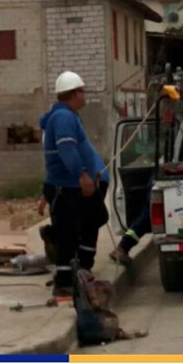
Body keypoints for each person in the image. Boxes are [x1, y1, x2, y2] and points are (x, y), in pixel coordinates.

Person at [39, 71, 109, 297]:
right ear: (74, 93)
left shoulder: (66, 116)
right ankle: (64, 282)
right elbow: (66, 148)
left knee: (95, 217)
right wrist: (82, 175)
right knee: (67, 233)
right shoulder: (63, 118)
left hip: (70, 185)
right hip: (67, 186)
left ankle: (82, 267)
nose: (84, 95)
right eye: (82, 90)